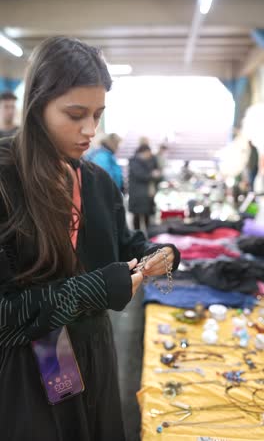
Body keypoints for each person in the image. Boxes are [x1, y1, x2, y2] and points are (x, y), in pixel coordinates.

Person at [0, 36, 180, 441]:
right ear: (37, 106)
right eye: (75, 114)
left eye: (98, 115)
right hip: (30, 362)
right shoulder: (6, 179)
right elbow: (4, 316)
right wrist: (98, 289)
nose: (89, 130)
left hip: (92, 351)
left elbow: (124, 242)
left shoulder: (95, 181)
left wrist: (159, 253)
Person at [129, 144, 162, 231]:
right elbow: (140, 175)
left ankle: (148, 235)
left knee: (147, 215)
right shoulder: (134, 161)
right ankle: (137, 235)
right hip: (137, 193)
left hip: (147, 194)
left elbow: (158, 173)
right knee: (137, 216)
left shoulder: (151, 160)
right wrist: (152, 175)